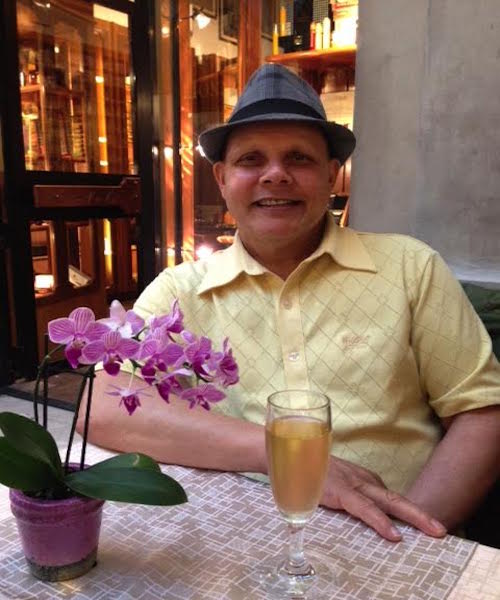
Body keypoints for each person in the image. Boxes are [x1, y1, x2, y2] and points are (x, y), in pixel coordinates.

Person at [80, 64, 500, 542]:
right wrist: (280, 453)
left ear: (332, 175)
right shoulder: (180, 291)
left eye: (299, 158)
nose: (275, 175)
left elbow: (481, 412)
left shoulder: (410, 267)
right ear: (221, 178)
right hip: (245, 542)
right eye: (251, 160)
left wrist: (405, 536)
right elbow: (102, 407)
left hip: (400, 535)